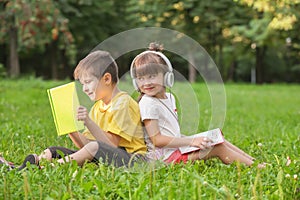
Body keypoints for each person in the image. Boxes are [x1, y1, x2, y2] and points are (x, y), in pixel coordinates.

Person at [130, 42, 265, 168]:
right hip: (163, 158)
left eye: (152, 76)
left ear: (166, 76)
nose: (146, 83)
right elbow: (157, 140)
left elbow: (170, 132)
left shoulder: (169, 97)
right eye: (141, 78)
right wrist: (191, 141)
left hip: (174, 149)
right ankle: (257, 168)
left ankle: (255, 162)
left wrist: (192, 139)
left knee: (218, 140)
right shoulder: (148, 103)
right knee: (218, 148)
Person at [17, 50, 147, 170]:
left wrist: (88, 122)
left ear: (106, 79)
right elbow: (86, 148)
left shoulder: (122, 104)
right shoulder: (98, 107)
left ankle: (47, 169)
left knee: (94, 147)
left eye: (88, 82)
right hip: (107, 158)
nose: (84, 88)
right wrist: (71, 129)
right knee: (53, 151)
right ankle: (26, 166)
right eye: (82, 83)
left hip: (133, 160)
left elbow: (110, 146)